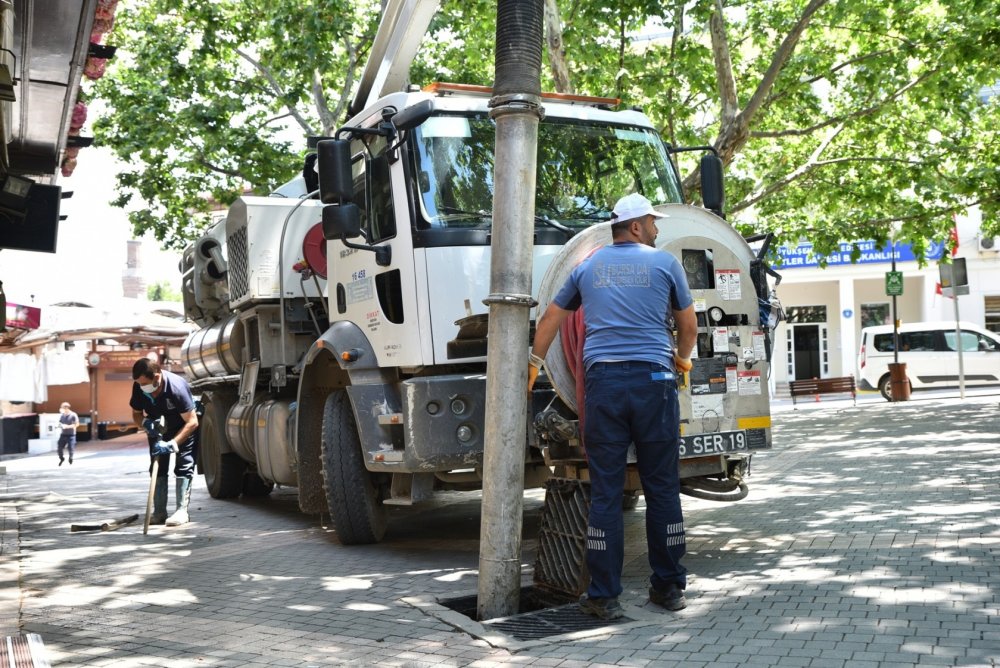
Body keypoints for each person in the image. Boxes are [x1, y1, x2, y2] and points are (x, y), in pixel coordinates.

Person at [528, 193, 697, 620]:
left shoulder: (586, 267)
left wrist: (532, 365)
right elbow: (688, 324)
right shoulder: (666, 265)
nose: (658, 229)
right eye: (653, 223)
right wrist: (682, 359)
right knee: (661, 488)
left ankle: (604, 595)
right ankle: (669, 588)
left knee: (606, 490)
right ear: (636, 226)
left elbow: (550, 318)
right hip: (654, 382)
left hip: (602, 385)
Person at [130, 358, 200, 526]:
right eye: (140, 384)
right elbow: (136, 413)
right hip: (157, 428)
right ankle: (159, 511)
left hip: (182, 428)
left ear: (157, 376)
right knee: (157, 466)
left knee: (183, 465)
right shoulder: (140, 387)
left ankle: (181, 511)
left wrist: (172, 444)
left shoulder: (176, 388)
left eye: (145, 383)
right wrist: (145, 424)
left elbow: (192, 422)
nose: (143, 387)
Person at [57, 401, 79, 466]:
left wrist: (68, 426)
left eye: (62, 407)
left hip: (71, 435)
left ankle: (70, 458)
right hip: (63, 434)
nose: (61, 408)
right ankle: (61, 458)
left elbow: (77, 424)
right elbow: (60, 423)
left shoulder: (73, 415)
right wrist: (60, 426)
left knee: (70, 448)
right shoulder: (62, 415)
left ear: (66, 408)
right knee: (59, 447)